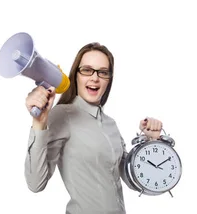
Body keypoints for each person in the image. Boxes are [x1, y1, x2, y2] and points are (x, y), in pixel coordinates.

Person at [23, 42, 164, 214]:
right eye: (87, 70)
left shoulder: (110, 123)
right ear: (76, 75)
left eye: (103, 72)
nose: (95, 78)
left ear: (108, 80)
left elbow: (132, 179)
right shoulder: (62, 115)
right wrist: (39, 123)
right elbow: (36, 183)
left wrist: (151, 143)